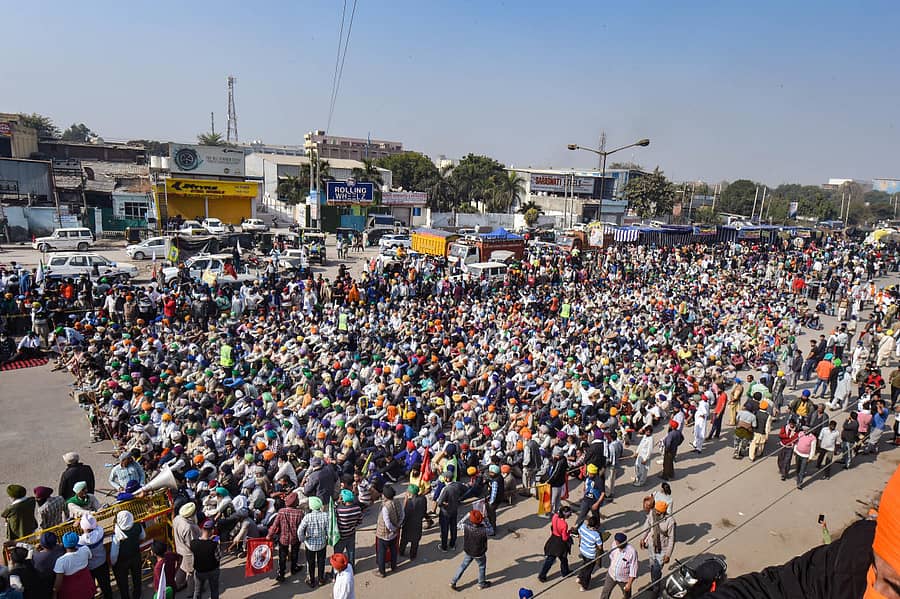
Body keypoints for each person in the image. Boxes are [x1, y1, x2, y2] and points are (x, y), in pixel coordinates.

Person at [702, 464, 900, 598]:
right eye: (875, 570)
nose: (876, 590)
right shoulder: (855, 554)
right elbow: (777, 586)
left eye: (897, 589)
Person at [266, 491, 304, 582]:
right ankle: (294, 568)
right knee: (294, 553)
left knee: (282, 556)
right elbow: (302, 527)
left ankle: (281, 573)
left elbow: (274, 525)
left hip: (283, 537)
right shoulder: (300, 513)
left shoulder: (281, 511)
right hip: (295, 538)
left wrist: (269, 535)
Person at [449, 509, 491, 590]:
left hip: (468, 550)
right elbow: (491, 530)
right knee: (482, 567)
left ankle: (453, 581)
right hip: (479, 553)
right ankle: (481, 583)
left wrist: (467, 515)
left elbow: (458, 524)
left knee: (463, 566)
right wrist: (486, 520)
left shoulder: (466, 527)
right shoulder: (484, 530)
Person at [642, 500, 676, 591]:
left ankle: (656, 589)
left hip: (662, 550)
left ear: (663, 512)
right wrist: (643, 538)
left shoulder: (670, 521)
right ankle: (654, 584)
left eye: (659, 512)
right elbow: (647, 526)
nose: (656, 513)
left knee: (656, 570)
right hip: (651, 546)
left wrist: (668, 555)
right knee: (652, 567)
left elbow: (672, 539)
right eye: (656, 510)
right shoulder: (652, 513)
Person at [110, 510, 144, 599]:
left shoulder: (117, 534)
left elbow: (113, 554)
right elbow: (143, 536)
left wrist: (113, 563)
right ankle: (137, 595)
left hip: (122, 562)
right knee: (137, 578)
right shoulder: (137, 526)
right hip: (136, 556)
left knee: (123, 583)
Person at [78, 514, 113, 599]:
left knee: (90, 589)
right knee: (106, 586)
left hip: (89, 567)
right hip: (102, 563)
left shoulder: (80, 541)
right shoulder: (100, 532)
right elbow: (97, 527)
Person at [53, 531, 95, 599]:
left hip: (72, 593)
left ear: (64, 544)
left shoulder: (61, 561)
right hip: (87, 585)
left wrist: (54, 593)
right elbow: (90, 557)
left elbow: (58, 583)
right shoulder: (85, 549)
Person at [298, 496, 329, 587]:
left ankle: (311, 581)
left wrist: (302, 539)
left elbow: (300, 530)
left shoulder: (307, 517)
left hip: (310, 545)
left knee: (310, 563)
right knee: (321, 561)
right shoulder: (325, 515)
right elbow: (328, 530)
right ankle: (321, 579)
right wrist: (327, 538)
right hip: (322, 543)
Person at [538, 506, 573, 582]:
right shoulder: (564, 524)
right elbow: (564, 538)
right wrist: (569, 532)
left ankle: (542, 575)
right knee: (563, 559)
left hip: (553, 539)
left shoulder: (555, 516)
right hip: (560, 544)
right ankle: (565, 572)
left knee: (549, 560)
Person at [172, 502, 200, 594]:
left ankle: (175, 586)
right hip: (188, 554)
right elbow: (192, 544)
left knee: (182, 569)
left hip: (179, 549)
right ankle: (191, 593)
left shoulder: (177, 519)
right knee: (191, 573)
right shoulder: (188, 527)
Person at [600, 532, 638, 599]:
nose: (616, 544)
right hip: (611, 575)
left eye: (618, 543)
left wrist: (629, 584)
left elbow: (633, 568)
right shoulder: (614, 544)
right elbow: (612, 556)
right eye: (616, 542)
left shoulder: (632, 552)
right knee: (605, 592)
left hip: (624, 579)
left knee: (627, 594)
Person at [190, 520, 220, 599]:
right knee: (214, 590)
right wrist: (216, 539)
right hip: (213, 570)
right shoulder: (214, 544)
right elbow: (218, 557)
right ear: (212, 530)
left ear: (202, 529)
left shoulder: (193, 543)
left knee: (197, 591)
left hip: (199, 571)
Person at [334, 490, 363, 570]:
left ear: (343, 499)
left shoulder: (339, 510)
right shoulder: (357, 509)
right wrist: (353, 526)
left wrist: (337, 502)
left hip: (341, 536)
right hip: (351, 533)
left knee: (338, 553)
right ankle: (351, 568)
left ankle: (336, 570)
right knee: (351, 552)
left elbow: (332, 511)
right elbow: (360, 521)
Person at [436, 474, 465, 551]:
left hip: (445, 512)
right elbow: (465, 490)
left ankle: (444, 546)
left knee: (444, 529)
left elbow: (439, 503)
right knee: (453, 528)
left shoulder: (446, 489)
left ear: (447, 479)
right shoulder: (457, 485)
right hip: (454, 510)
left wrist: (444, 503)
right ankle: (452, 544)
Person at [399, 484, 427, 560]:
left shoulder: (409, 502)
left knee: (404, 540)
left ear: (410, 493)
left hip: (408, 525)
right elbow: (424, 511)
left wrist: (405, 501)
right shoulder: (423, 499)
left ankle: (401, 552)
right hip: (418, 524)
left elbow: (405, 514)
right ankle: (413, 556)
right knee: (415, 541)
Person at [577, 515, 604, 591]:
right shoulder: (596, 535)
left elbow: (580, 536)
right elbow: (600, 547)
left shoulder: (582, 526)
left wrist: (580, 544)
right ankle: (584, 586)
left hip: (582, 550)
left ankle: (579, 577)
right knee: (588, 571)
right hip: (591, 554)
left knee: (584, 564)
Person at [575, 463, 605, 529]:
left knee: (595, 515)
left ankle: (596, 526)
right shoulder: (587, 477)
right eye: (589, 473)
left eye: (591, 474)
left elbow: (603, 493)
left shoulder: (599, 480)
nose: (590, 475)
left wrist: (597, 503)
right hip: (586, 500)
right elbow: (585, 483)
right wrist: (584, 489)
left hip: (594, 502)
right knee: (582, 514)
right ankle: (577, 527)